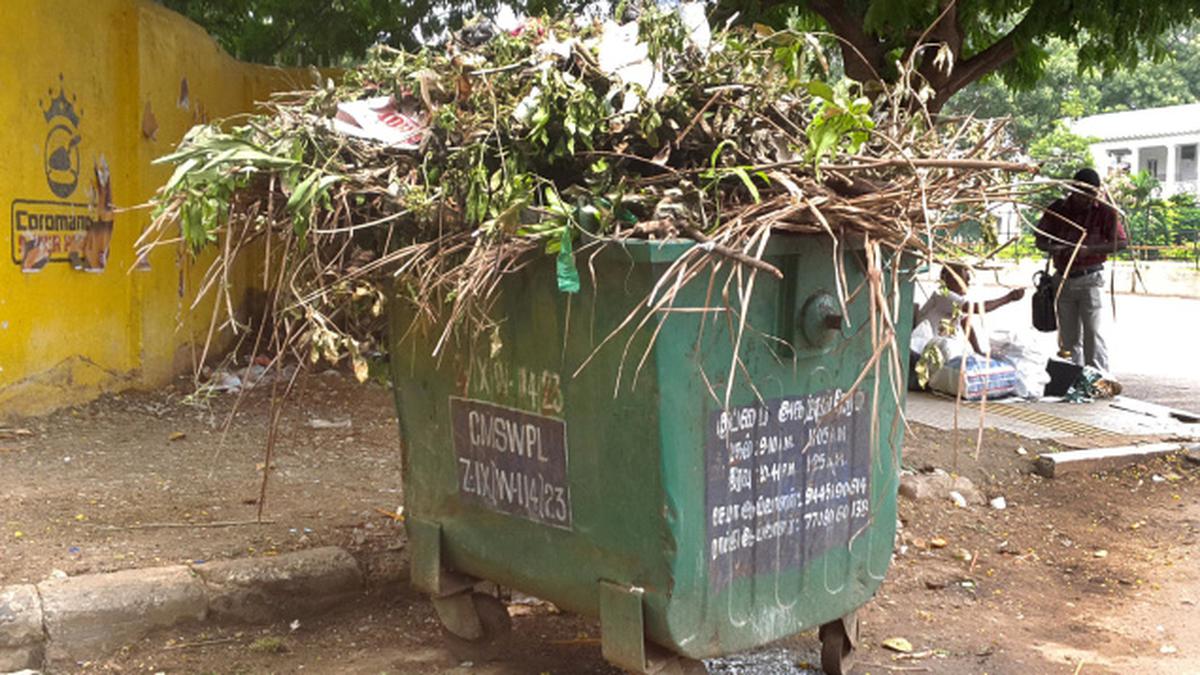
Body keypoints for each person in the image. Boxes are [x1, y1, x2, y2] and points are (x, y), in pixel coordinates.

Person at [1034, 168, 1128, 372]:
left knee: (1093, 332)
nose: (1088, 199)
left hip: (1091, 277)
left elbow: (1121, 243)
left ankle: (1098, 378)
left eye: (1092, 194)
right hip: (1062, 278)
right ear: (1073, 189)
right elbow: (1040, 240)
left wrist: (1090, 250)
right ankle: (1072, 378)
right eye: (1084, 194)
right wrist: (1055, 247)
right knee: (1068, 336)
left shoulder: (1105, 211)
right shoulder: (1058, 209)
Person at [909, 262, 1024, 389]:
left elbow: (966, 323)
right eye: (963, 279)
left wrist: (978, 351)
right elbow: (974, 309)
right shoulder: (944, 295)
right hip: (923, 355)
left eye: (967, 279)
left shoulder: (952, 300)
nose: (967, 283)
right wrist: (1008, 298)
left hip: (936, 354)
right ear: (947, 278)